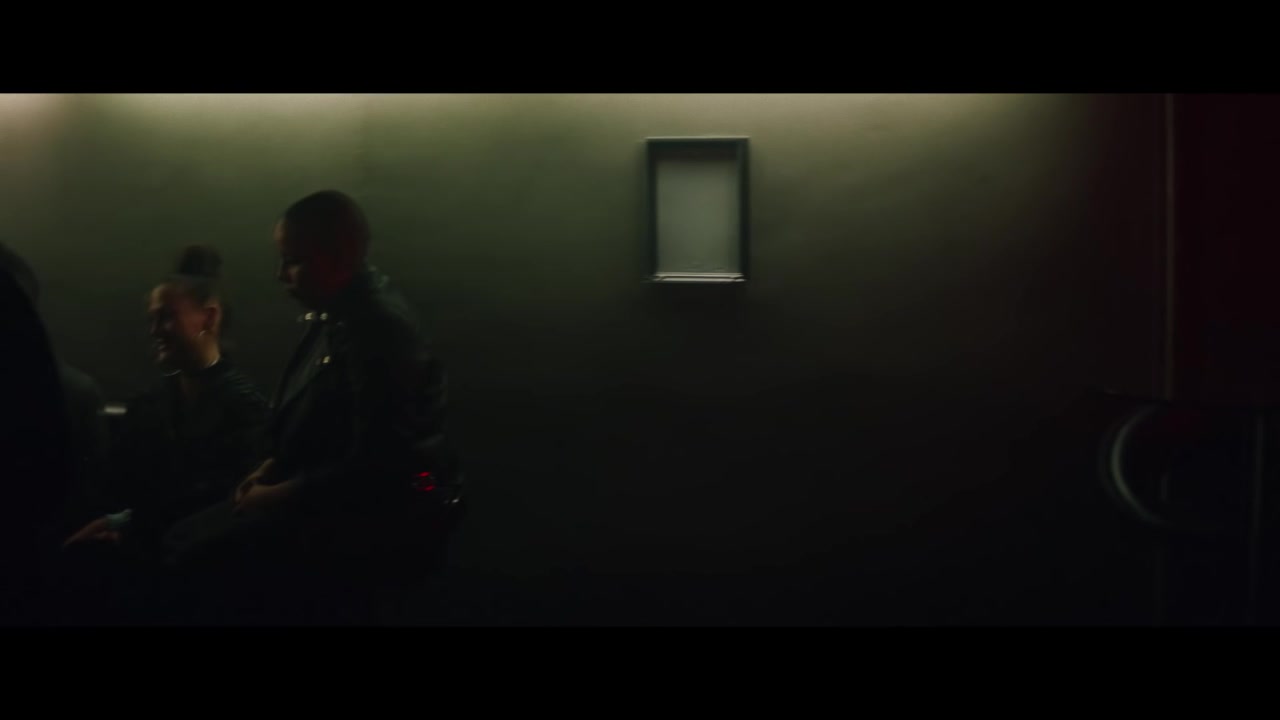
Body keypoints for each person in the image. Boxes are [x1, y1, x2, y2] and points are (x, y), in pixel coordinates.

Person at [164, 190, 462, 624]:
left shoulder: (376, 332)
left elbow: (379, 464)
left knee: (190, 555)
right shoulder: (342, 315)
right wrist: (271, 467)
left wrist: (275, 493)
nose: (280, 274)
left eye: (292, 261)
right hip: (322, 505)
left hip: (358, 529)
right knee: (182, 540)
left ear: (337, 258)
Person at [57, 245, 269, 623]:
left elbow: (225, 506)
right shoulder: (152, 404)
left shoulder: (245, 410)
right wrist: (118, 521)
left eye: (166, 317)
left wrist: (129, 526)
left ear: (209, 317)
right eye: (153, 319)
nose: (154, 330)